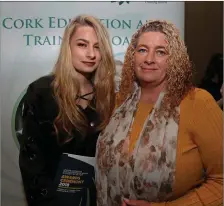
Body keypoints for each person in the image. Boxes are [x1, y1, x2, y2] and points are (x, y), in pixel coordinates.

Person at [95, 20, 223, 206]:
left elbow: (221, 182)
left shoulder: (198, 102)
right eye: (142, 50)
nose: (149, 59)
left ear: (174, 59)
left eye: (161, 52)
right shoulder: (119, 101)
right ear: (133, 55)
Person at [19, 15, 115, 206]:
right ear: (68, 48)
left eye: (97, 47)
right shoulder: (42, 94)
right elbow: (33, 166)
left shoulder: (109, 97)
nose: (91, 54)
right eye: (82, 45)